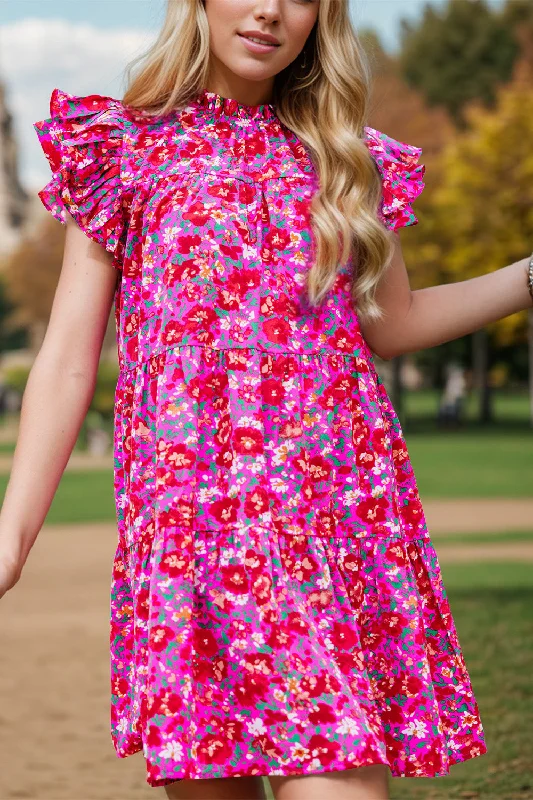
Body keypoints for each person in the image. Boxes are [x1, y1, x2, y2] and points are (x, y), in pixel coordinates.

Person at [1, 0, 532, 798]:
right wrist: (11, 535)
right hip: (192, 540)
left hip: (328, 528)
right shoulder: (123, 147)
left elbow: (396, 323)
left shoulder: (349, 159)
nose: (268, 11)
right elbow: (70, 360)